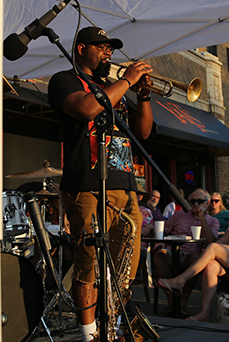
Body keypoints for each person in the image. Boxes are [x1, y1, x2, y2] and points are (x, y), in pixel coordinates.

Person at [47, 26, 153, 342]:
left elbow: (143, 132)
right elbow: (87, 108)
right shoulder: (64, 81)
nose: (108, 53)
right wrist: (128, 81)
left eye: (110, 48)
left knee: (125, 269)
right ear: (81, 49)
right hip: (86, 185)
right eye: (101, 47)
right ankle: (90, 335)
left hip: (125, 186)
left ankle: (112, 327)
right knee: (88, 266)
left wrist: (144, 96)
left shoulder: (114, 89)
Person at [157, 187, 229, 322]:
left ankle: (180, 280)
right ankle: (204, 313)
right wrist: (221, 247)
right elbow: (223, 240)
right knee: (211, 265)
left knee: (213, 248)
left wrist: (227, 248)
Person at [152, 188, 219, 312]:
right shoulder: (179, 215)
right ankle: (172, 299)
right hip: (172, 251)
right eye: (192, 201)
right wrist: (159, 239)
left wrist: (202, 219)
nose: (196, 204)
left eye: (200, 201)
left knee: (195, 259)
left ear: (207, 203)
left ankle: (183, 301)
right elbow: (164, 230)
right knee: (159, 256)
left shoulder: (213, 221)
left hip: (191, 253)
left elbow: (211, 243)